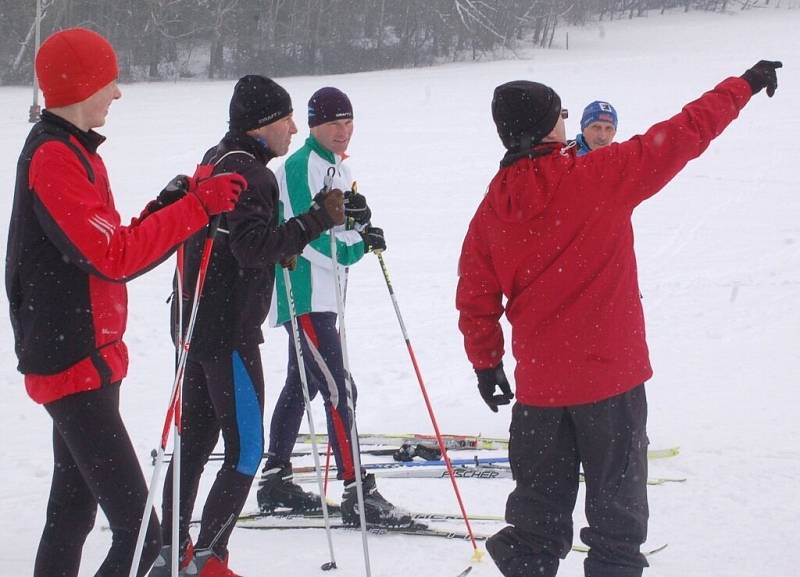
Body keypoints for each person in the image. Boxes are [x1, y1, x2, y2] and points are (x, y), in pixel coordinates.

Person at [456, 60, 781, 577]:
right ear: (547, 126)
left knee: (537, 524)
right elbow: (685, 131)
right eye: (560, 113)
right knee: (616, 523)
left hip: (540, 393)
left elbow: (475, 296)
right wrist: (743, 86)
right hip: (610, 382)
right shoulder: (598, 175)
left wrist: (485, 363)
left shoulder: (491, 209)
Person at [6, 28, 246, 577]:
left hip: (85, 359)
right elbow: (114, 256)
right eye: (109, 81)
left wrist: (174, 203)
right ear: (80, 85)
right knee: (146, 540)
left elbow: (104, 243)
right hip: (72, 363)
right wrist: (196, 209)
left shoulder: (73, 151)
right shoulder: (55, 159)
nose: (118, 93)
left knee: (71, 512)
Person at [150, 75, 345, 577]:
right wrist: (315, 221)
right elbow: (253, 248)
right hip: (226, 332)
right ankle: (209, 558)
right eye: (286, 120)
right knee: (246, 448)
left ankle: (171, 550)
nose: (293, 128)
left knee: (195, 440)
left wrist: (284, 240)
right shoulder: (253, 174)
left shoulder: (217, 156)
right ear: (263, 125)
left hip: (192, 324)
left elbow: (238, 245)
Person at [256, 87, 409, 528]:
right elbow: (302, 233)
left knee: (300, 385)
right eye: (334, 123)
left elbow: (340, 224)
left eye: (348, 122)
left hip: (324, 297)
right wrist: (358, 246)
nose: (343, 132)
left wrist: (363, 222)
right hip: (302, 293)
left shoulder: (336, 167)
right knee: (339, 386)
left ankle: (275, 480)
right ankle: (356, 488)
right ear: (314, 125)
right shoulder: (301, 165)